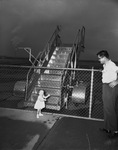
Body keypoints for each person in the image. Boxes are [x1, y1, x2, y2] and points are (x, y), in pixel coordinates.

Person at [97, 50, 118, 137]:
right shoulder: (105, 65)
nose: (99, 60)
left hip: (110, 88)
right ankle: (108, 128)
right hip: (106, 86)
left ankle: (115, 130)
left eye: (99, 58)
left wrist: (117, 81)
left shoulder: (111, 64)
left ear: (104, 57)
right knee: (107, 108)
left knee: (110, 109)